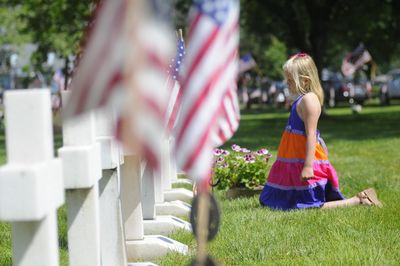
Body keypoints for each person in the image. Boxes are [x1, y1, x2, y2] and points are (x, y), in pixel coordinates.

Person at [259, 53, 382, 211]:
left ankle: (359, 200)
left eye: (290, 80)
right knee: (271, 202)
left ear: (305, 80)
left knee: (308, 206)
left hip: (303, 162)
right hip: (292, 161)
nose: (287, 83)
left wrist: (308, 166)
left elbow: (310, 134)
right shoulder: (301, 100)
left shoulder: (309, 100)